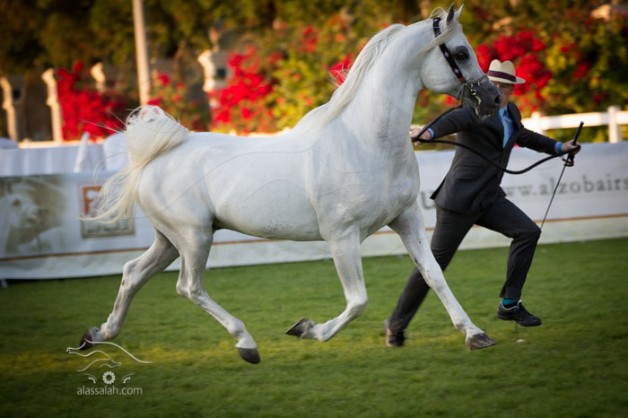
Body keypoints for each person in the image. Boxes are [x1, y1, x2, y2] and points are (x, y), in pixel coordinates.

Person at [384, 59, 581, 347]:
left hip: (489, 198)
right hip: (459, 201)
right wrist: (426, 133)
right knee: (434, 266)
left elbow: (522, 136)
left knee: (528, 232)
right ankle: (396, 324)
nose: (504, 92)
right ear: (491, 86)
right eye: (500, 86)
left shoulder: (511, 111)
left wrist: (559, 147)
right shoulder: (474, 109)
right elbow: (452, 120)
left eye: (508, 88)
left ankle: (509, 303)